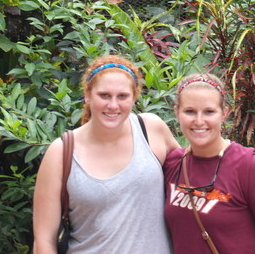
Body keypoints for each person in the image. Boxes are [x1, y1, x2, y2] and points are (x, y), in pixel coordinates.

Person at [33, 55, 180, 254]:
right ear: (87, 95)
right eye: (104, 95)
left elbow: (192, 179)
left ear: (134, 97)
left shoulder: (151, 129)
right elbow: (44, 240)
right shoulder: (61, 152)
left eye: (122, 96)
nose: (113, 105)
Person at [164, 73, 255, 254]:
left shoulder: (250, 167)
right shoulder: (173, 163)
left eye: (209, 112)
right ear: (177, 112)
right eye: (190, 111)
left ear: (224, 113)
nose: (199, 121)